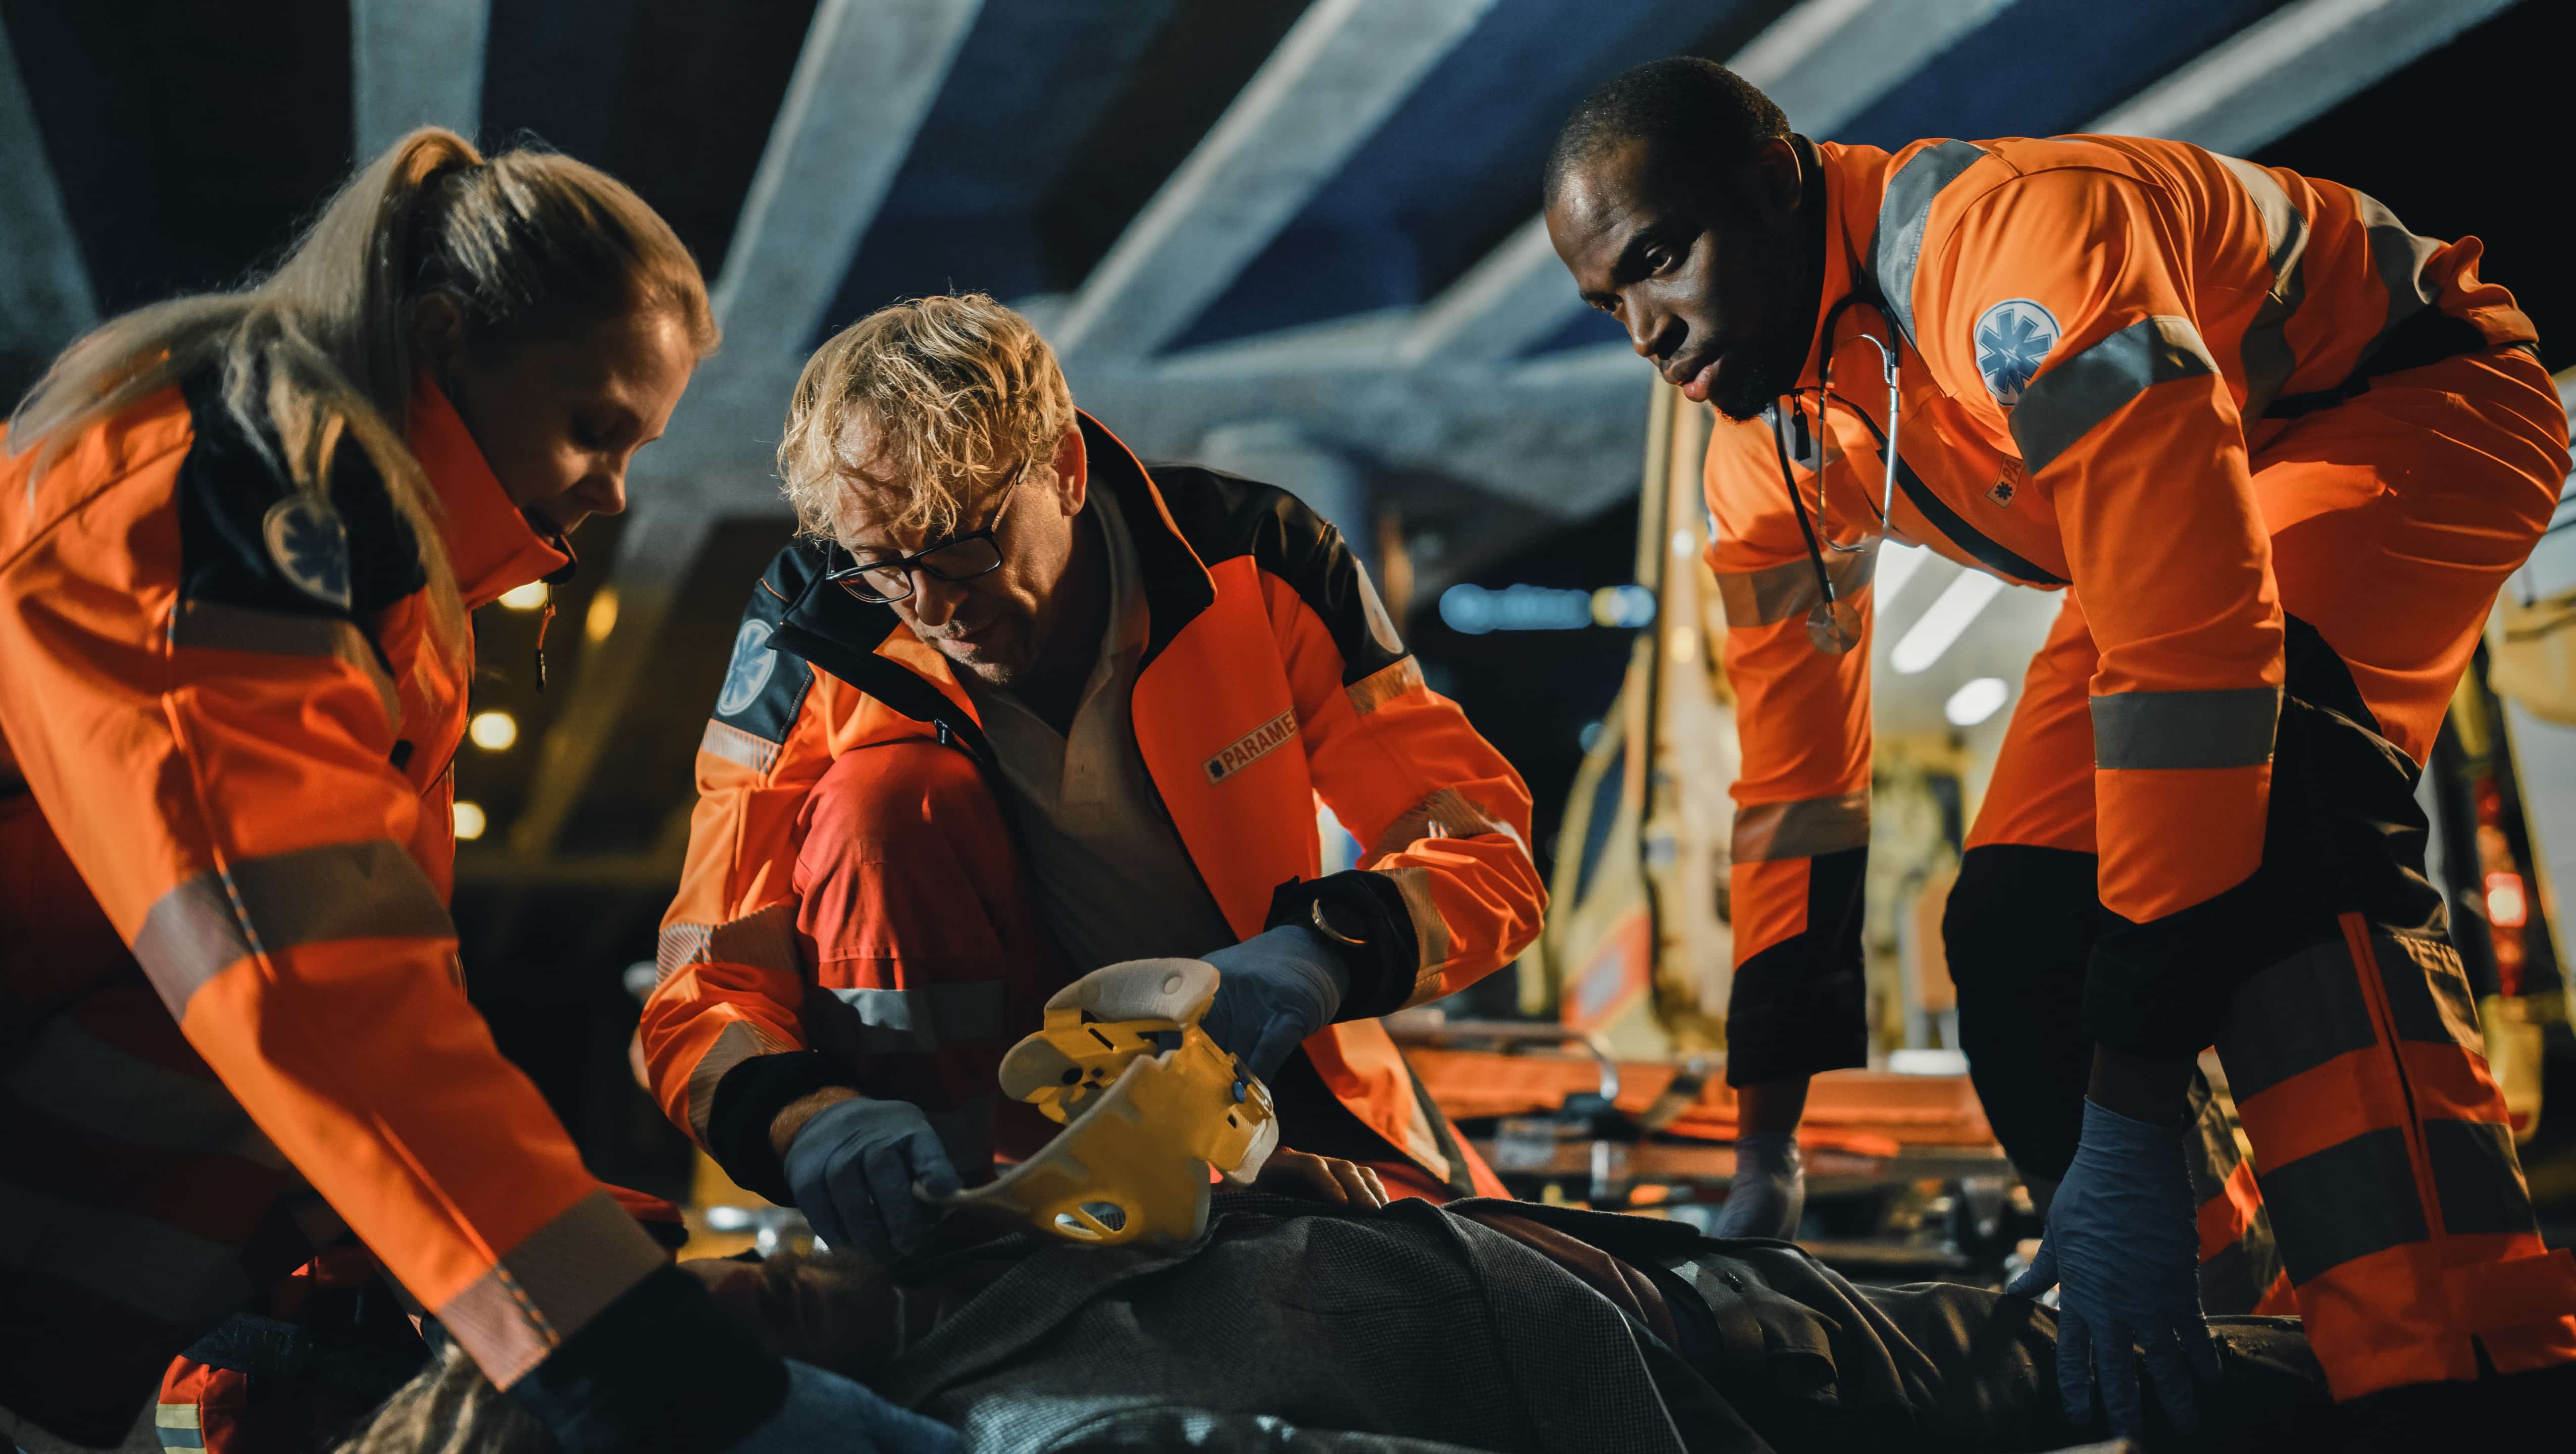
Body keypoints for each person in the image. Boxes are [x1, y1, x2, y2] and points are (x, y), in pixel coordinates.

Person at [1539, 55, 2576, 1440]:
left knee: (2289, 809)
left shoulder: (2014, 247)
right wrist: (1763, 1156)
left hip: (2403, 406)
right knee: (2013, 933)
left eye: (1658, 260)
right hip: (2178, 508)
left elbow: (2195, 667)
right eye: (1609, 304)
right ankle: (2218, 1337)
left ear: (1777, 180)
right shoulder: (1762, 459)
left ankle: (2463, 1371)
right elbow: (1793, 795)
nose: (1645, 335)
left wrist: (2134, 1118)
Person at [0, 129, 894, 1451]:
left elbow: (339, 1005)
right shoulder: (224, 503)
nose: (617, 487)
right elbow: (304, 977)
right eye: (596, 428)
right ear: (440, 336)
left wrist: (598, 1252)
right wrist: (623, 1349)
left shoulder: (375, 577)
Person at [642, 293, 1545, 1262]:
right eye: (884, 567)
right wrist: (804, 1118)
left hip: (1271, 1098)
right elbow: (704, 979)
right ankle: (948, 1221)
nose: (934, 606)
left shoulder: (1259, 560)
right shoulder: (809, 631)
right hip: (971, 1177)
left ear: (1065, 469)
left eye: (961, 541)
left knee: (1518, 1303)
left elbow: (1483, 849)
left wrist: (1321, 951)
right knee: (882, 805)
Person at [343, 1169, 2339, 1454]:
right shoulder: (1035, 1434)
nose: (763, 1239)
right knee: (2148, 1386)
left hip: (1611, 1284)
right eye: (742, 1274)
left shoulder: (955, 1276)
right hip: (1676, 1387)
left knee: (2097, 1356)